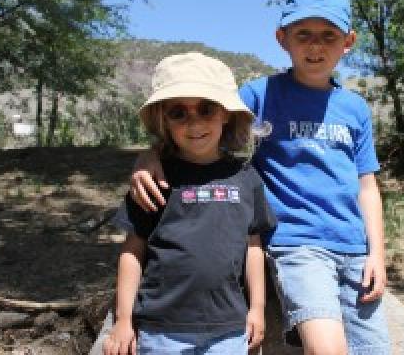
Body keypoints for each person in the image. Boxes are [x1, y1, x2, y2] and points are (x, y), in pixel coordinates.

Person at [130, 0, 391, 354]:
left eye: (328, 35)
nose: (315, 46)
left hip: (354, 247)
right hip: (298, 244)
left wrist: (377, 254)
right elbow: (202, 122)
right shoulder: (260, 94)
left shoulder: (355, 108)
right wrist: (150, 156)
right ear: (282, 38)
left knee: (375, 348)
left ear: (348, 41)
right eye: (303, 34)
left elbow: (367, 185)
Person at [103, 52, 276, 355]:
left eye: (206, 109)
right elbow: (133, 250)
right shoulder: (153, 179)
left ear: (225, 113)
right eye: (178, 112)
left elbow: (253, 246)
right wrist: (124, 319)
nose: (194, 122)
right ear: (164, 120)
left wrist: (257, 308)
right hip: (161, 328)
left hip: (229, 327)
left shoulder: (246, 178)